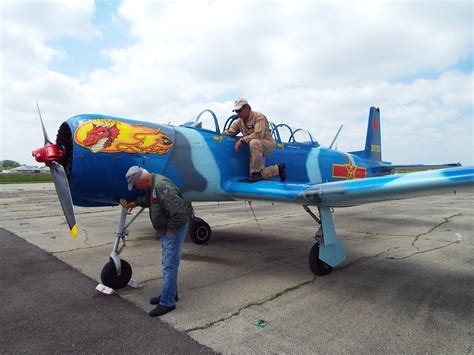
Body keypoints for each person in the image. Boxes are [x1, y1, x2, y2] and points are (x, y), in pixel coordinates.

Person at [125, 166, 189, 317]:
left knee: (169, 266)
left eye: (135, 185)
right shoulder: (153, 184)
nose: (136, 188)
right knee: (169, 264)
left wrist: (171, 229)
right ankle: (171, 294)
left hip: (173, 230)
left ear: (140, 181)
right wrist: (136, 203)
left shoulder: (161, 186)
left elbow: (180, 212)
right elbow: (152, 200)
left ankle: (168, 303)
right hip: (167, 229)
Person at [222, 98, 286, 182]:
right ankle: (277, 169)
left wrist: (242, 140)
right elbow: (230, 132)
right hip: (256, 147)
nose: (238, 113)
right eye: (236, 111)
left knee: (254, 142)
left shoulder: (259, 117)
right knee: (259, 173)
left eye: (240, 110)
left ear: (247, 108)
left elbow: (259, 134)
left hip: (267, 143)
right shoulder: (239, 122)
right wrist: (219, 135)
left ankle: (255, 174)